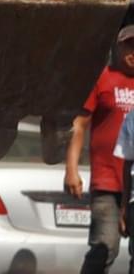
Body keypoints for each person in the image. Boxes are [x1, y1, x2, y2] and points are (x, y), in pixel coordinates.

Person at [66, 19, 134, 274]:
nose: (133, 53)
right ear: (118, 48)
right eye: (129, 46)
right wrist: (71, 169)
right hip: (107, 181)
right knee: (104, 247)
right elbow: (79, 125)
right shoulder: (103, 79)